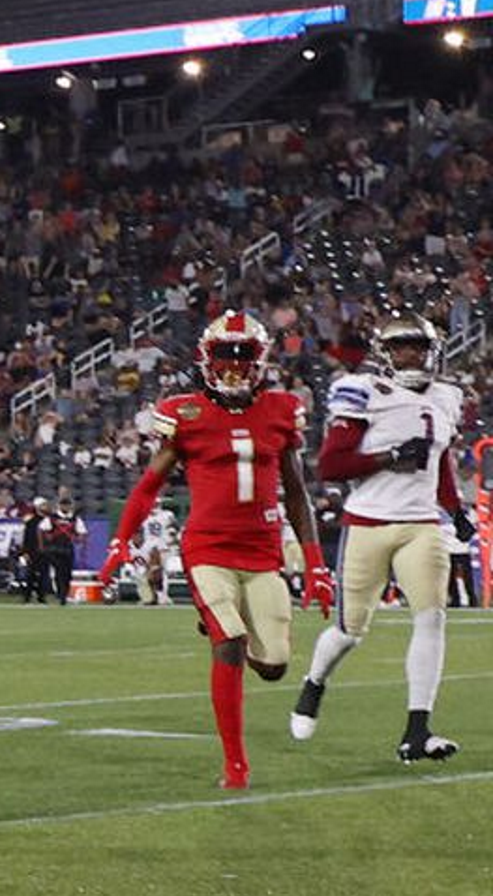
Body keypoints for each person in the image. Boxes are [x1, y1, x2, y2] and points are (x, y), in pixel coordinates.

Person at [99, 313, 332, 789]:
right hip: (207, 548)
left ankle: (222, 619)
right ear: (208, 359)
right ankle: (236, 765)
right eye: (225, 354)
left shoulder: (280, 410)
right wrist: (121, 541)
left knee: (273, 666)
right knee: (228, 642)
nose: (233, 365)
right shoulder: (186, 414)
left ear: (260, 360)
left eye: (243, 355)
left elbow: (296, 493)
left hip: (262, 552)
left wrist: (316, 566)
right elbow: (148, 486)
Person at [289, 313, 466, 761]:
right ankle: (314, 684)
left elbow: (438, 460)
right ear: (385, 354)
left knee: (431, 618)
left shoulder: (447, 396)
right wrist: (388, 457)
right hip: (368, 522)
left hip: (422, 524)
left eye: (419, 347)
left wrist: (456, 511)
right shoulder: (364, 390)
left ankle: (417, 731)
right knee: (350, 631)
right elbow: (331, 465)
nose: (411, 355)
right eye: (402, 347)